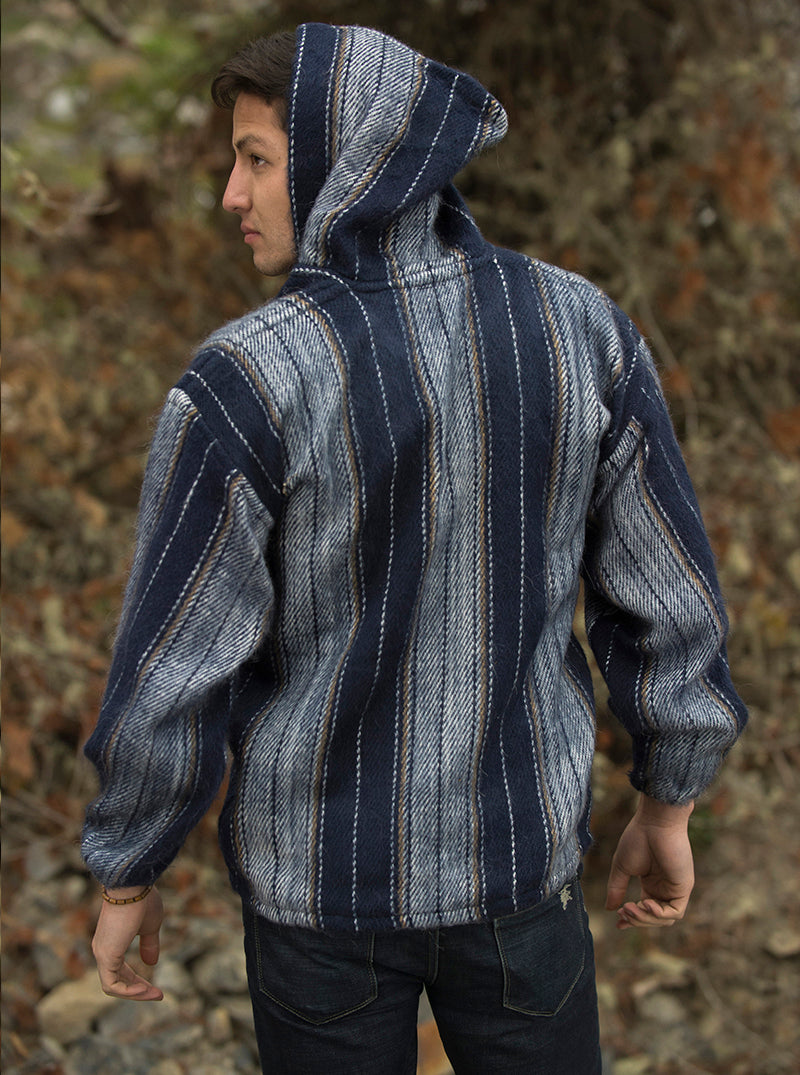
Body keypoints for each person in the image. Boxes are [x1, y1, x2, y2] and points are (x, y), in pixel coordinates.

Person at [82, 23, 747, 1074]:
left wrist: (129, 865)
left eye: (257, 159)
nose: (230, 194)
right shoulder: (576, 328)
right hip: (517, 866)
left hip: (320, 895)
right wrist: (669, 796)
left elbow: (173, 666)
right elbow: (669, 596)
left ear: (348, 161)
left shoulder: (245, 381)